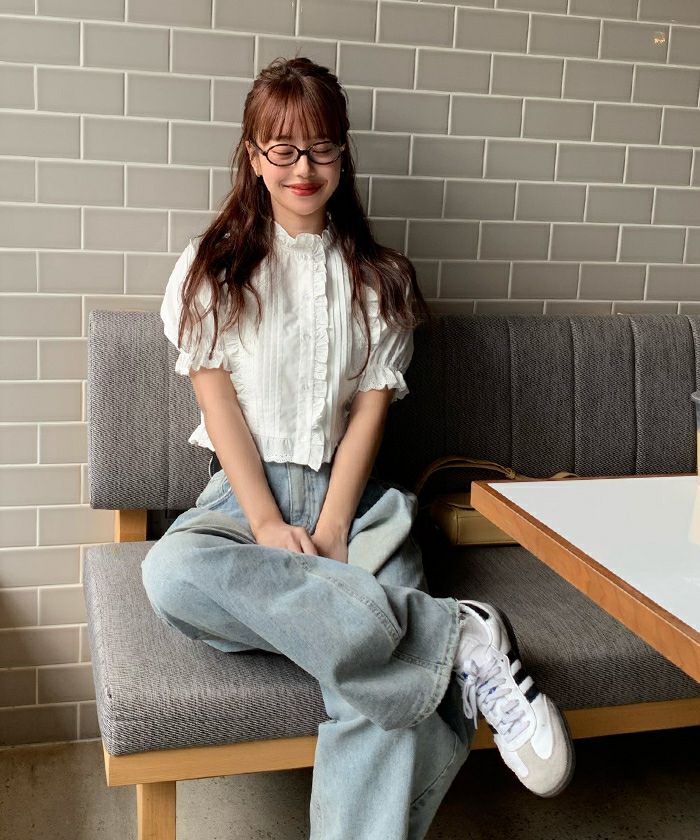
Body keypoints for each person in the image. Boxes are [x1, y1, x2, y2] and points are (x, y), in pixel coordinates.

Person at [141, 56, 574, 839]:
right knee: (171, 572)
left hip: (358, 503)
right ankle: (458, 637)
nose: (303, 168)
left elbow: (369, 421)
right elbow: (221, 411)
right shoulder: (211, 269)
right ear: (253, 156)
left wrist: (336, 528)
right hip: (241, 499)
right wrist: (267, 525)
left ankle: (422, 650)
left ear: (343, 155)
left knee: (381, 699)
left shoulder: (380, 279)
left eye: (321, 149)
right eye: (283, 149)